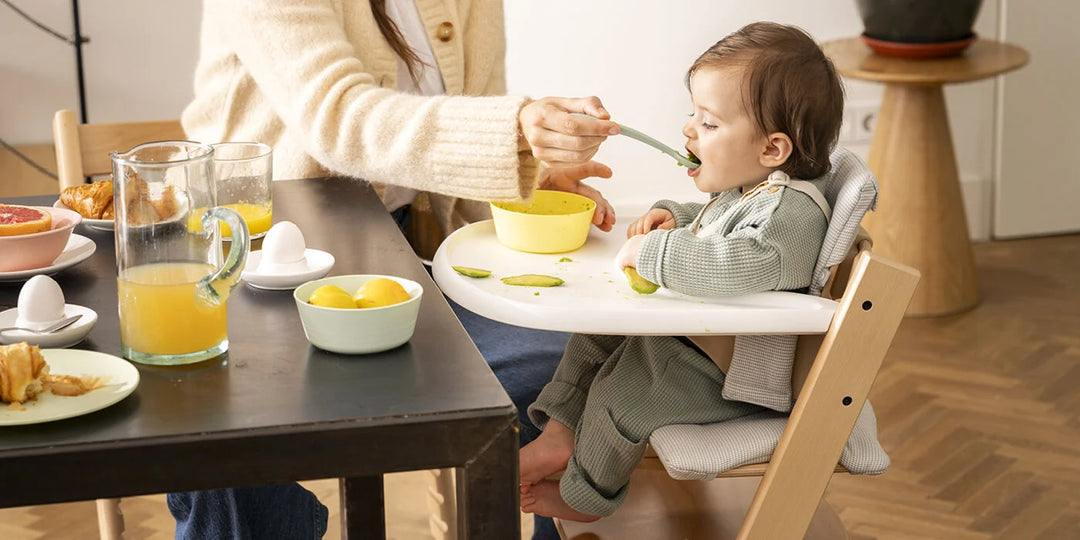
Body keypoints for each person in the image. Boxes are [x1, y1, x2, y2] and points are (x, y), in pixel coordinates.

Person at [168, 1, 620, 538]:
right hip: (256, 257)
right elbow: (336, 115)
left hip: (405, 253)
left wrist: (525, 175)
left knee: (564, 364)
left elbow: (459, 132)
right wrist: (512, 134)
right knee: (224, 428)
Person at [517, 21, 845, 522]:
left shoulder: (792, 216)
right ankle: (560, 435)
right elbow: (719, 225)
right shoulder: (752, 191)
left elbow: (735, 263)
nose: (690, 130)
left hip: (727, 370)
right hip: (697, 339)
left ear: (772, 150)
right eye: (693, 115)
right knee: (592, 336)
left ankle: (587, 497)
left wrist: (656, 255)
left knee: (618, 395)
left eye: (709, 124)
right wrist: (676, 216)